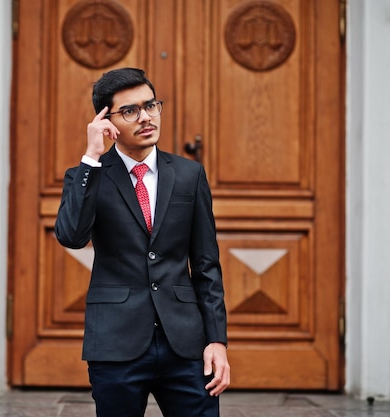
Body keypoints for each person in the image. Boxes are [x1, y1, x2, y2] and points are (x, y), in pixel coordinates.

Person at [54, 67, 230, 417]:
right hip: (115, 343)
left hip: (185, 343)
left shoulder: (189, 175)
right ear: (107, 120)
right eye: (130, 110)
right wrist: (91, 155)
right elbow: (72, 235)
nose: (146, 117)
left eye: (151, 105)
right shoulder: (87, 176)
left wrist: (216, 340)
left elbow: (206, 261)